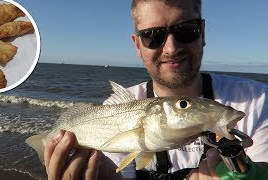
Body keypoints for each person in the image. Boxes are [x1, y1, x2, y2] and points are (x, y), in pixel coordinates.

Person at [44, 0, 268, 179]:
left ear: (203, 32)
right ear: (137, 45)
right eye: (153, 36)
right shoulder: (117, 109)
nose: (171, 48)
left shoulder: (259, 101)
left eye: (187, 30)